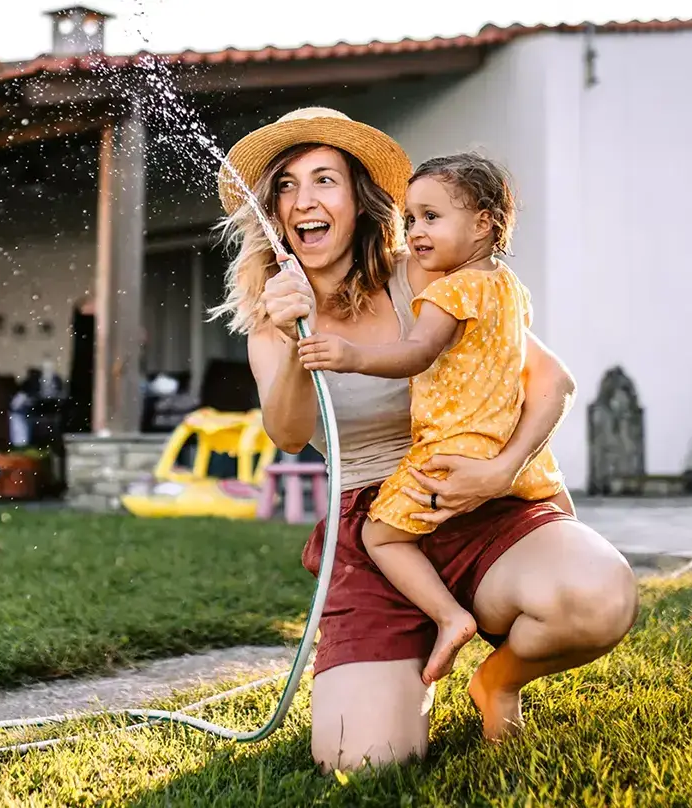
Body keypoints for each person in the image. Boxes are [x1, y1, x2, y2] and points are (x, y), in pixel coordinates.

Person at [209, 107, 638, 771]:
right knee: (363, 761)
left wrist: (500, 472)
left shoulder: (424, 276)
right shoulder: (273, 319)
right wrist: (295, 335)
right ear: (273, 211)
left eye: (325, 179)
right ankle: (418, 649)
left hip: (475, 497)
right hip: (372, 531)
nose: (304, 200)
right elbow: (290, 432)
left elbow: (550, 382)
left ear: (357, 199)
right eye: (287, 187)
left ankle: (497, 679)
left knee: (597, 596)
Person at [295, 152, 566, 687]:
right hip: (501, 442)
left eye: (431, 218)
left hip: (450, 450)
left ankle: (449, 616)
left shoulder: (446, 290)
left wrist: (351, 355)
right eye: (411, 218)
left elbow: (416, 354)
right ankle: (531, 603)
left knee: (382, 538)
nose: (415, 231)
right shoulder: (509, 288)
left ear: (484, 222)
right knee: (556, 529)